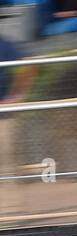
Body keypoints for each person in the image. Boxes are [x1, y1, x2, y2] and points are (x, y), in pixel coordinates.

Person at [0, 33, 34, 220]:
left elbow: (27, 68)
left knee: (7, 163)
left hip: (3, 116)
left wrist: (15, 97)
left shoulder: (3, 43)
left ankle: (12, 213)